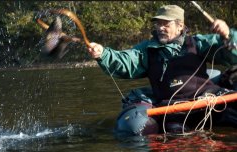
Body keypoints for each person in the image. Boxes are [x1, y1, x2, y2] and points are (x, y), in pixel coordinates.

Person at [87, 5, 237, 136]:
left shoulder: (199, 43)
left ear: (180, 26)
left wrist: (228, 35)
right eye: (158, 24)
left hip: (210, 101)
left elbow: (232, 54)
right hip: (173, 110)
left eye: (166, 24)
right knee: (175, 135)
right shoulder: (147, 50)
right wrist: (104, 54)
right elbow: (126, 61)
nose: (160, 28)